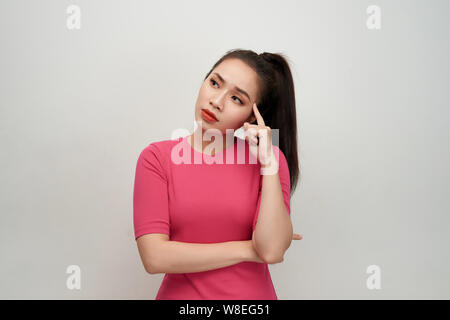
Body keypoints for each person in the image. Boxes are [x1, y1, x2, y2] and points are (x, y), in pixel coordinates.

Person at [133, 49, 303, 300]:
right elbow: (154, 257)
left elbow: (272, 250)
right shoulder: (156, 158)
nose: (217, 101)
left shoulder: (270, 161)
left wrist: (267, 162)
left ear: (252, 116)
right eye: (215, 83)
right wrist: (248, 249)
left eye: (237, 99)